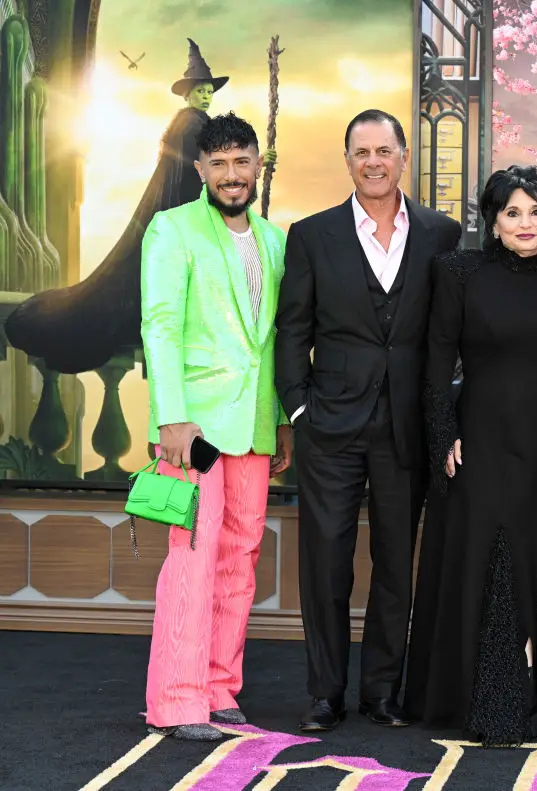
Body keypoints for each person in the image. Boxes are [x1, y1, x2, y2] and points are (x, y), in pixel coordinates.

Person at [275, 109, 462, 732]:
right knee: (324, 562)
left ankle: (383, 691)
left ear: (403, 156)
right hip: (329, 425)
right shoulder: (312, 235)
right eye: (362, 152)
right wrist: (299, 407)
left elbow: (451, 334)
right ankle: (325, 692)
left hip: (406, 426)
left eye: (385, 150)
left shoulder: (442, 233)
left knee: (393, 562)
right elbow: (292, 329)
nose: (374, 162)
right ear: (348, 160)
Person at [405, 165, 537, 747]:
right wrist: (443, 434)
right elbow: (436, 361)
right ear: (492, 221)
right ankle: (481, 699)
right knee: (488, 556)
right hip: (480, 441)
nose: (526, 223)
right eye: (512, 212)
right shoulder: (460, 272)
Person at [140, 112, 291, 741]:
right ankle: (175, 702)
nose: (232, 175)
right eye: (219, 163)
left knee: (240, 557)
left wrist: (281, 421)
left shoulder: (275, 239)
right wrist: (171, 416)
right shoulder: (172, 229)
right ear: (201, 169)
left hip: (254, 423)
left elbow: (276, 340)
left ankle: (220, 689)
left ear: (259, 164)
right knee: (193, 558)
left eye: (242, 161)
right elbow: (161, 325)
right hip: (193, 426)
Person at [6, 38, 274, 374]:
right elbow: (212, 171)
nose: (206, 95)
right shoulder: (193, 125)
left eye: (209, 91)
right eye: (201, 90)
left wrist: (256, 164)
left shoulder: (193, 124)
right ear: (188, 94)